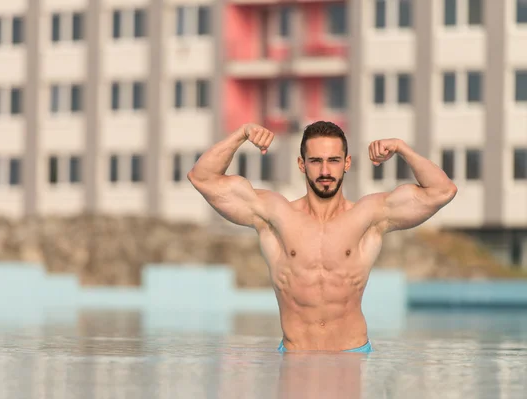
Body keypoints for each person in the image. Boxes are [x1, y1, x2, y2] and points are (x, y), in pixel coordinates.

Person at [187, 121, 457, 353]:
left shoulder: (369, 215)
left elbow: (442, 191)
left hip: (352, 355)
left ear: (346, 163)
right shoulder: (275, 214)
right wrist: (241, 134)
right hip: (295, 356)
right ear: (302, 165)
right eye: (316, 161)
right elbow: (203, 178)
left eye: (333, 160)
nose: (325, 171)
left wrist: (401, 148)